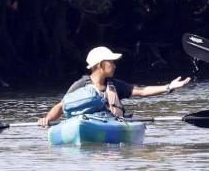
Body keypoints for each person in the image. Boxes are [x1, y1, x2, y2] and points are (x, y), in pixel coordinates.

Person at [38, 46, 191, 127]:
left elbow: (142, 91)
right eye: (111, 62)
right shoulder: (80, 85)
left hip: (111, 124)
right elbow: (61, 106)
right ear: (100, 65)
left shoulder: (115, 85)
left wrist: (169, 86)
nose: (114, 65)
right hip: (87, 124)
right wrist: (47, 119)